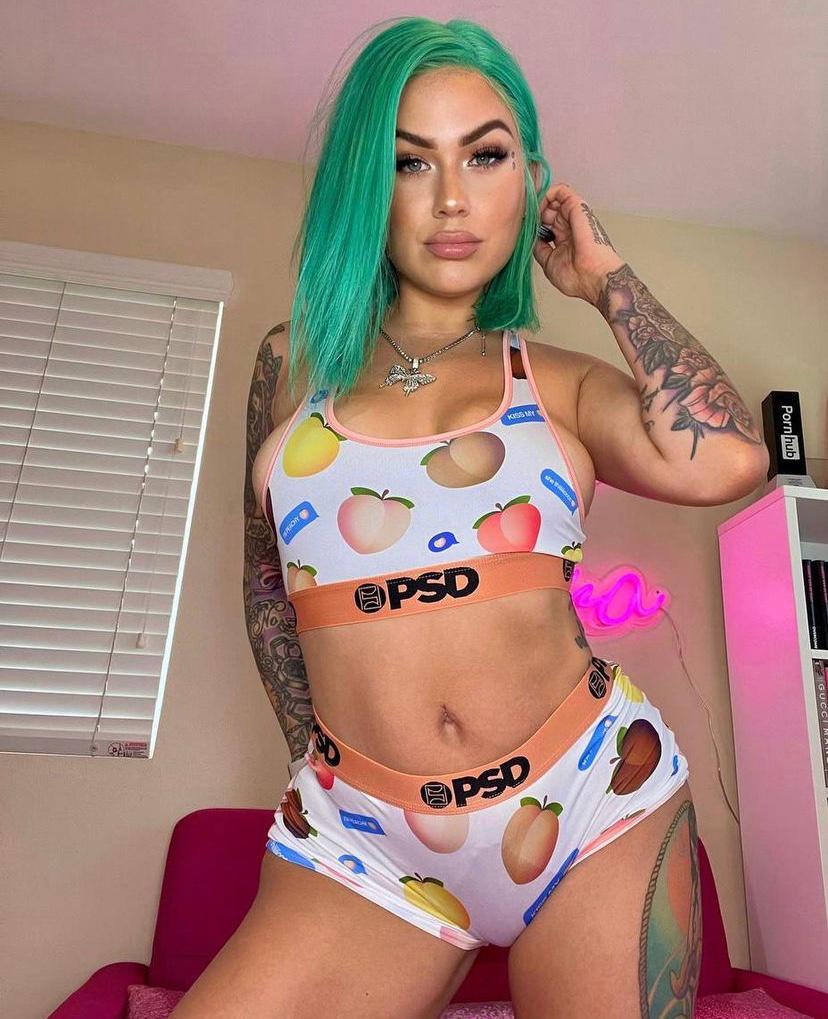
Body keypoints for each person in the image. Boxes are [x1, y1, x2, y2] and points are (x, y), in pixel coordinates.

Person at [172, 16, 768, 1019]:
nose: (451, 197)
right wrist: (323, 762)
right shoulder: (293, 364)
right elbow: (267, 579)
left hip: (589, 803)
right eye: (410, 162)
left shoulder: (557, 383)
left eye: (485, 156)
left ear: (528, 181)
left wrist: (607, 282)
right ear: (366, 185)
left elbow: (730, 458)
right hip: (363, 838)